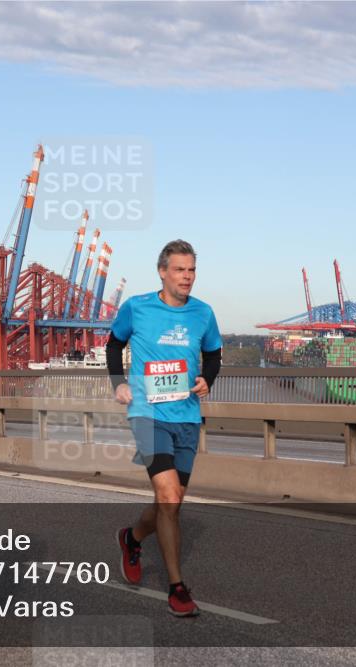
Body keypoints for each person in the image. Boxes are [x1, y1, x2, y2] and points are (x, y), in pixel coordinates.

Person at [106, 240, 222, 617]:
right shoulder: (137, 307)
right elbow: (113, 344)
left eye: (191, 270)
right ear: (162, 271)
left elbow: (214, 355)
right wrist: (118, 383)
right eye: (179, 270)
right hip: (147, 413)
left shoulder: (203, 313)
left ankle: (132, 537)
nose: (186, 276)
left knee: (169, 502)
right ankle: (177, 588)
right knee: (170, 498)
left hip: (187, 416)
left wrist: (207, 379)